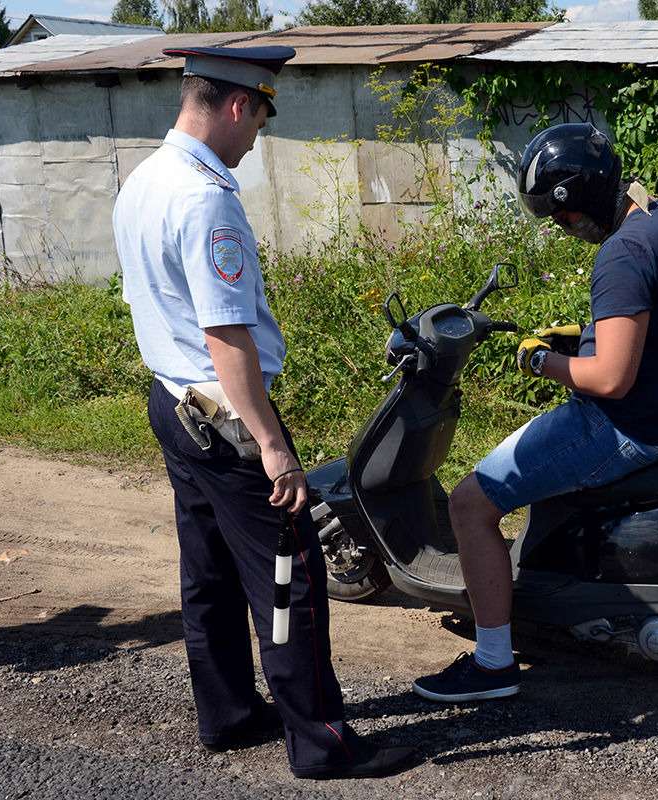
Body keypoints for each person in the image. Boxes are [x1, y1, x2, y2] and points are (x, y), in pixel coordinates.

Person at [112, 45, 415, 779]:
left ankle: (227, 714)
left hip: (172, 402)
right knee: (291, 575)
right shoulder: (204, 197)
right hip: (225, 417)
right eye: (259, 122)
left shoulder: (144, 179)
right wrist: (272, 444)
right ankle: (320, 743)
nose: (256, 140)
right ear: (239, 105)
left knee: (208, 574)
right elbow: (226, 335)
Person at [412, 123, 658, 703]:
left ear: (583, 201)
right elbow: (656, 325)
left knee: (468, 504)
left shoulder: (622, 253)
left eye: (562, 216)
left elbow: (611, 379)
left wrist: (541, 360)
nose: (563, 227)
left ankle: (493, 663)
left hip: (622, 426)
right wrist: (588, 334)